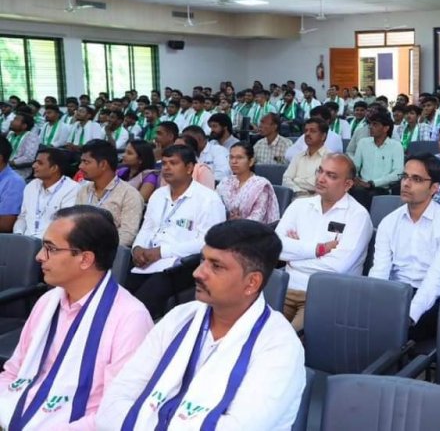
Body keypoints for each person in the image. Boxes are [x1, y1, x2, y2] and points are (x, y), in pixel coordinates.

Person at [96, 220, 306, 430]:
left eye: (216, 266)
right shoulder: (179, 317)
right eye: (202, 260)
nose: (198, 272)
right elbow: (118, 398)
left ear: (252, 282)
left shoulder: (280, 345)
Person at [0, 206, 153, 429]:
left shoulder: (130, 318)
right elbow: (13, 373)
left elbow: (117, 411)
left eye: (50, 248)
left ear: (85, 259)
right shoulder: (47, 302)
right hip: (16, 414)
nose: (39, 256)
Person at [275, 153, 373, 331]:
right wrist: (318, 250)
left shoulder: (357, 216)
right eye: (320, 171)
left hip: (326, 295)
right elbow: (275, 248)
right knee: (251, 334)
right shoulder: (299, 206)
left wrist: (293, 256)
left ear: (348, 184)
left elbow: (336, 267)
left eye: (331, 175)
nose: (321, 178)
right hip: (286, 289)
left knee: (284, 340)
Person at [127, 144, 226, 318]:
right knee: (121, 294)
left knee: (142, 304)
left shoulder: (208, 200)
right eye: (164, 163)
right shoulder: (158, 195)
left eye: (173, 163)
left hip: (184, 264)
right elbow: (147, 227)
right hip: (149, 259)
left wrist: (161, 252)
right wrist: (138, 248)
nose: (166, 168)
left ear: (189, 168)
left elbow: (209, 241)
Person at [369, 153, 440, 341]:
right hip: (396, 292)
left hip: (434, 299)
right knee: (361, 321)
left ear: (434, 187)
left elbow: (436, 279)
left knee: (389, 334)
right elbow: (380, 271)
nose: (406, 184)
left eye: (416, 179)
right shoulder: (389, 221)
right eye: (405, 176)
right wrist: (375, 302)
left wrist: (408, 316)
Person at [75, 140, 144, 247]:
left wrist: (97, 249)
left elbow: (127, 235)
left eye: (86, 162)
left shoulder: (129, 194)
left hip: (106, 254)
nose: (80, 166)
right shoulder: (83, 190)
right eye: (81, 161)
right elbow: (75, 222)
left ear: (103, 164)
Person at [13, 149, 79, 238]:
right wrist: (18, 235)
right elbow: (23, 217)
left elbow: (65, 224)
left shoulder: (72, 189)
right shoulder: (31, 186)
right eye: (35, 162)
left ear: (54, 168)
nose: (33, 166)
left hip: (52, 244)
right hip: (26, 242)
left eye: (39, 163)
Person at [351, 110, 404, 210]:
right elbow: (355, 166)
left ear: (386, 128)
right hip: (362, 186)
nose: (370, 127)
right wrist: (355, 177)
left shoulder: (396, 146)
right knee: (356, 192)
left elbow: (398, 173)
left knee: (372, 195)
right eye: (370, 124)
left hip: (382, 187)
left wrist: (374, 183)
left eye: (375, 124)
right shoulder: (363, 143)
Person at [217, 142, 280, 224]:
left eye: (239, 158)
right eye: (231, 157)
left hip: (252, 232)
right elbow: (215, 207)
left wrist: (240, 222)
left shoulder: (260, 185)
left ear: (251, 161)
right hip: (227, 227)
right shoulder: (225, 182)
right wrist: (228, 217)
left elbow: (257, 217)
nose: (234, 161)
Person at [283, 118, 330, 198]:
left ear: (323, 136)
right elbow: (285, 180)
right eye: (306, 131)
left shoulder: (330, 158)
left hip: (318, 203)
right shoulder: (298, 156)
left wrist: (296, 180)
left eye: (313, 131)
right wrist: (301, 191)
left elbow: (318, 184)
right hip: (296, 200)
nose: (307, 134)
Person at [7, 112, 40, 178]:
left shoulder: (31, 136)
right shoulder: (10, 134)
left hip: (19, 169)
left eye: (16, 120)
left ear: (24, 126)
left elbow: (29, 158)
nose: (12, 121)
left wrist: (11, 163)